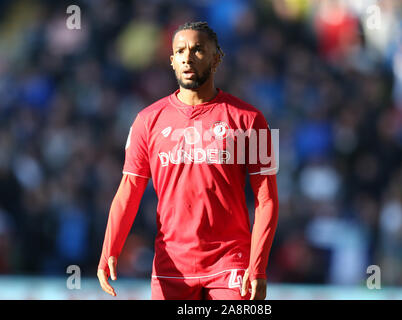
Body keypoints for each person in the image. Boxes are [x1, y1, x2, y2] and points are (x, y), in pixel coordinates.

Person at [97, 21, 279, 300]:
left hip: (230, 263)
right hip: (171, 266)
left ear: (217, 57)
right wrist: (110, 247)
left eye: (198, 50)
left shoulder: (252, 119)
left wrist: (258, 266)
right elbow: (129, 189)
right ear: (171, 61)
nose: (187, 57)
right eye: (180, 51)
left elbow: (266, 199)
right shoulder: (146, 120)